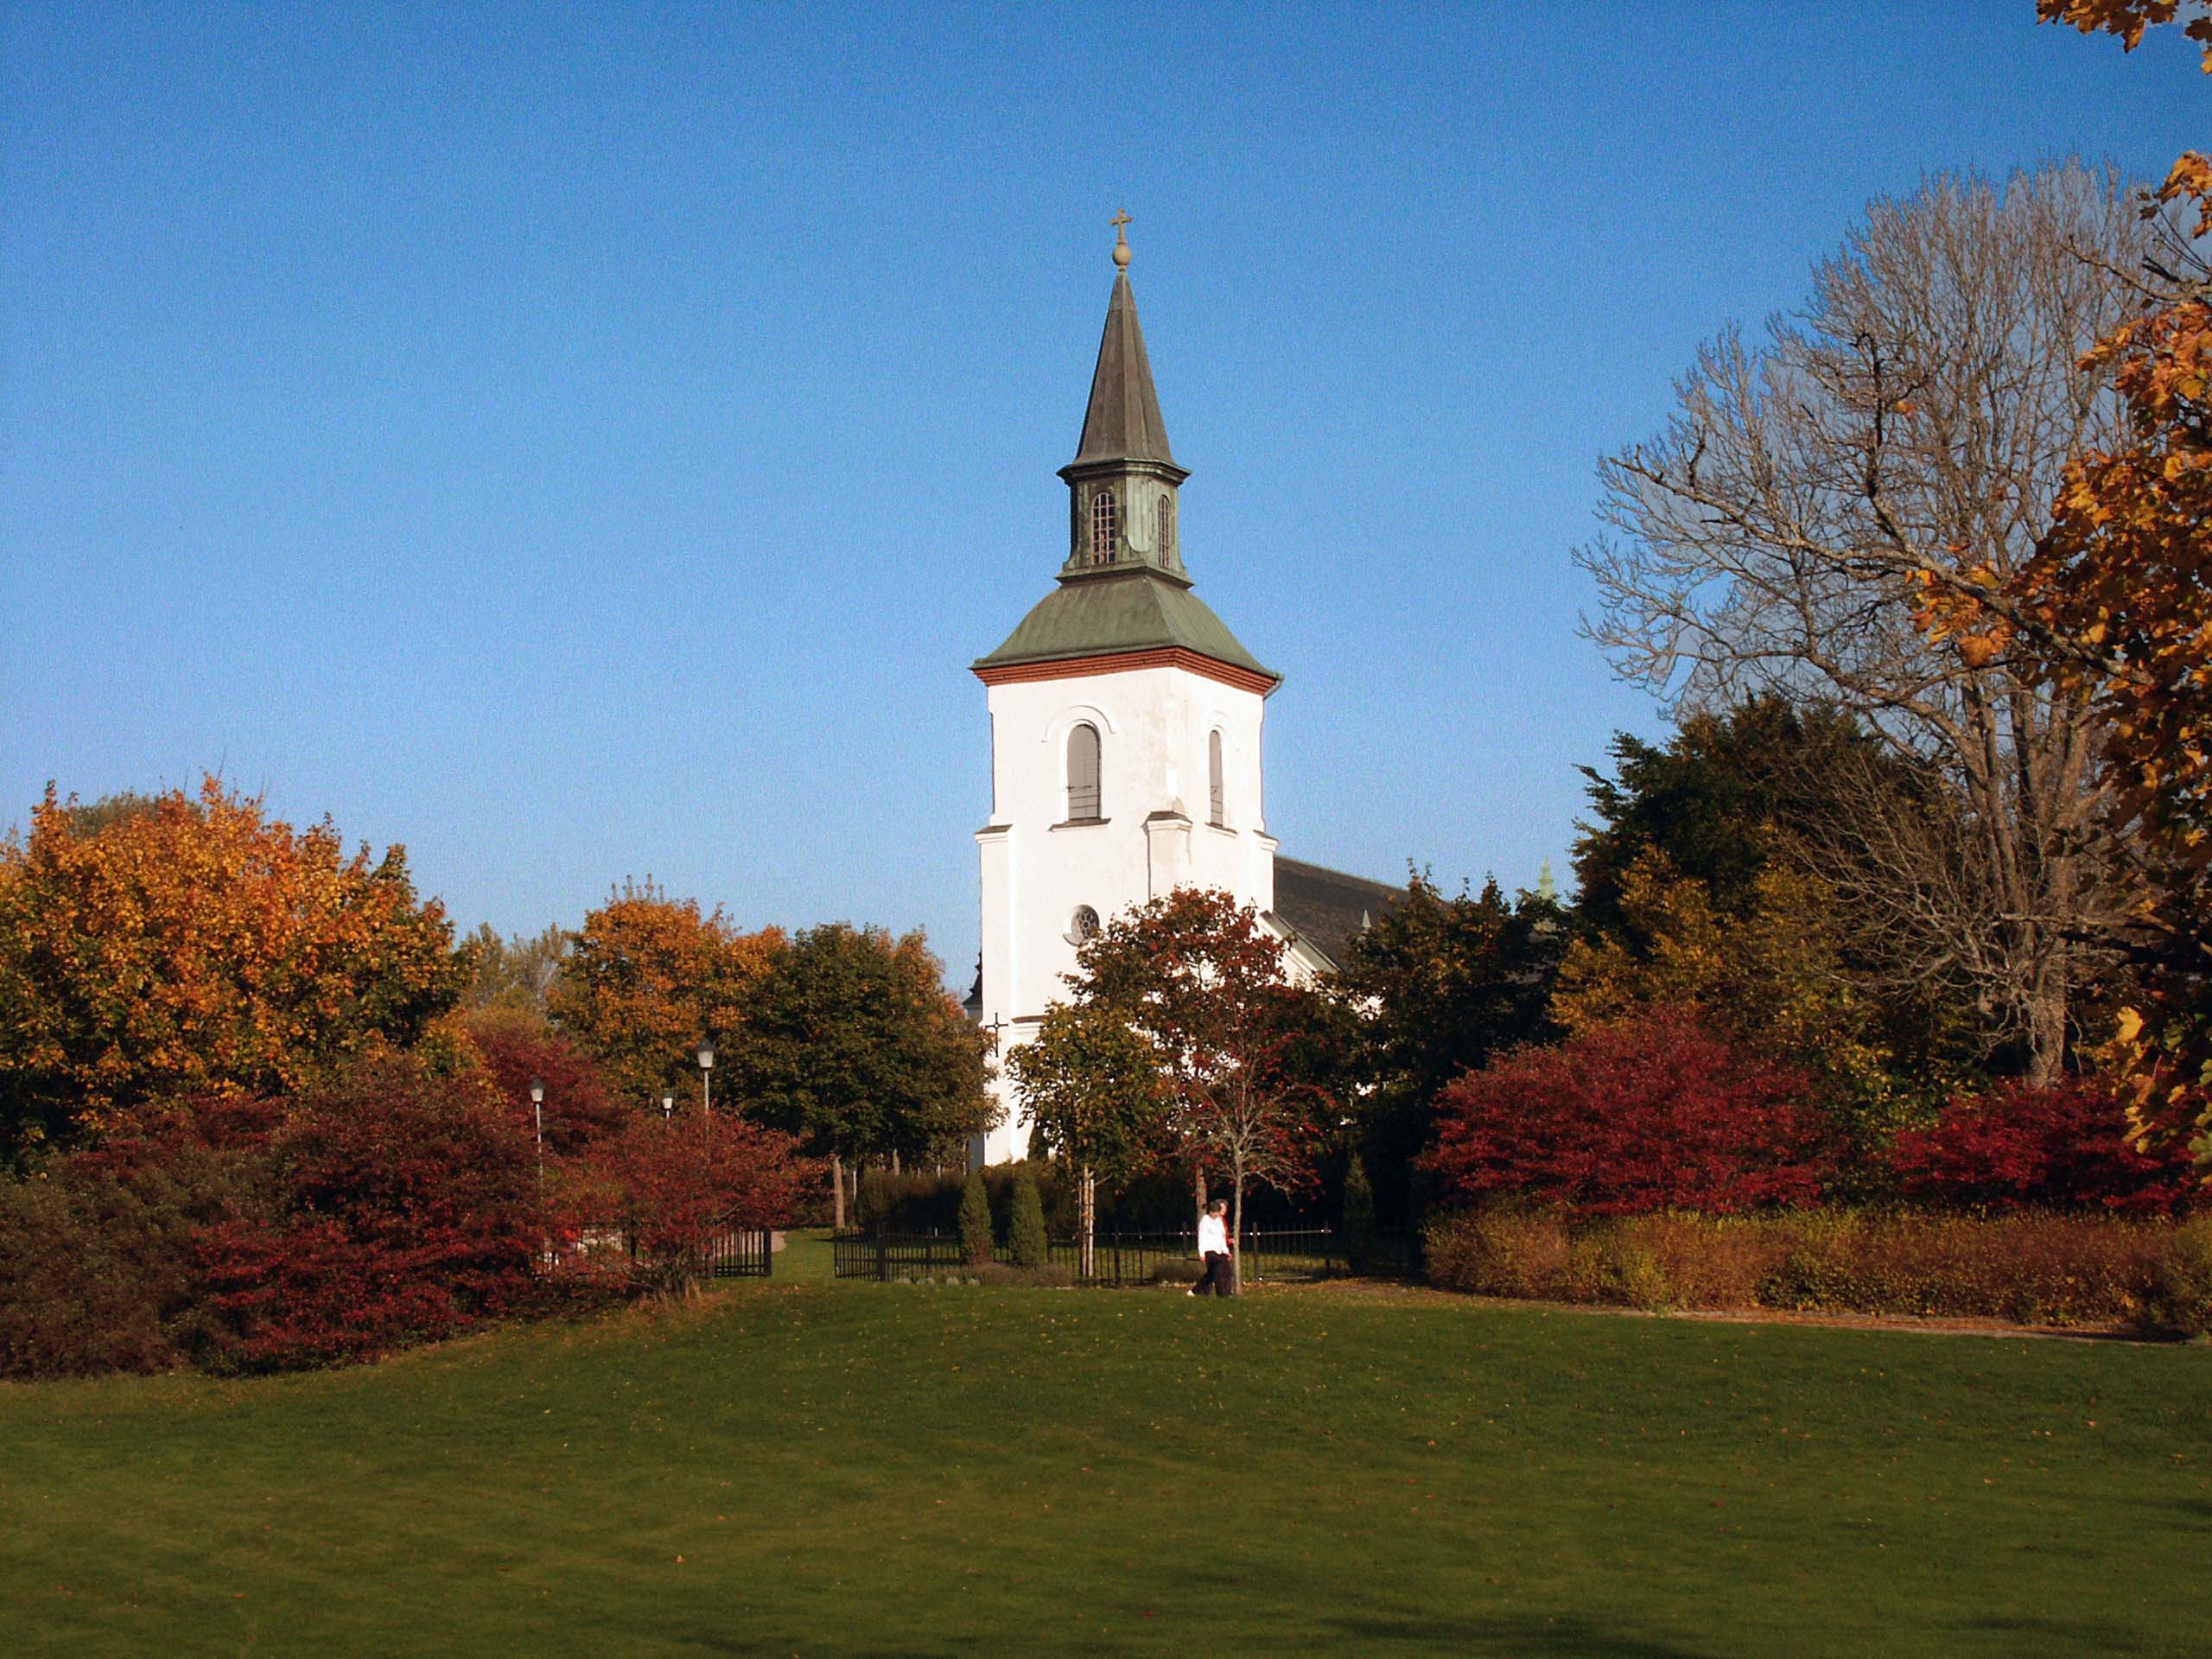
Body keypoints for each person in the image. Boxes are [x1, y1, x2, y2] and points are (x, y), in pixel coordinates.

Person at [1188, 1198, 1234, 1296]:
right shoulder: (1205, 1221)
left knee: (1225, 1271)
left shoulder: (1219, 1221)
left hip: (1219, 1250)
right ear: (1211, 1211)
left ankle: (1195, 1291)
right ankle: (1221, 1294)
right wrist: (1202, 1254)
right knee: (1217, 1267)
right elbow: (1201, 1238)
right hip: (1209, 1250)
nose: (1217, 1215)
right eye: (1216, 1212)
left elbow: (1221, 1238)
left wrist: (1226, 1251)